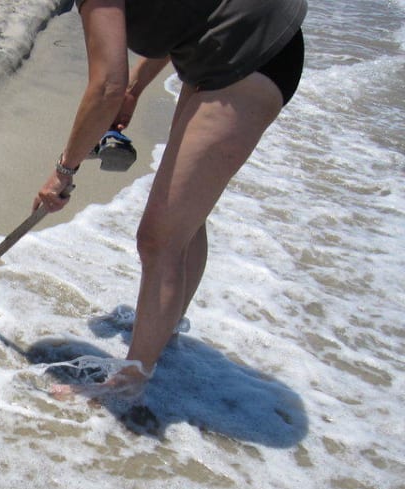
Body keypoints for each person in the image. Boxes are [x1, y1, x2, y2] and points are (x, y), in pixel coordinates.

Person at [35, 0, 307, 401]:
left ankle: (130, 383)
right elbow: (179, 15)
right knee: (182, 219)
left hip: (250, 56)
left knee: (159, 239)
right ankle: (166, 326)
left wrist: (64, 171)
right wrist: (136, 87)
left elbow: (106, 85)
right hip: (230, 48)